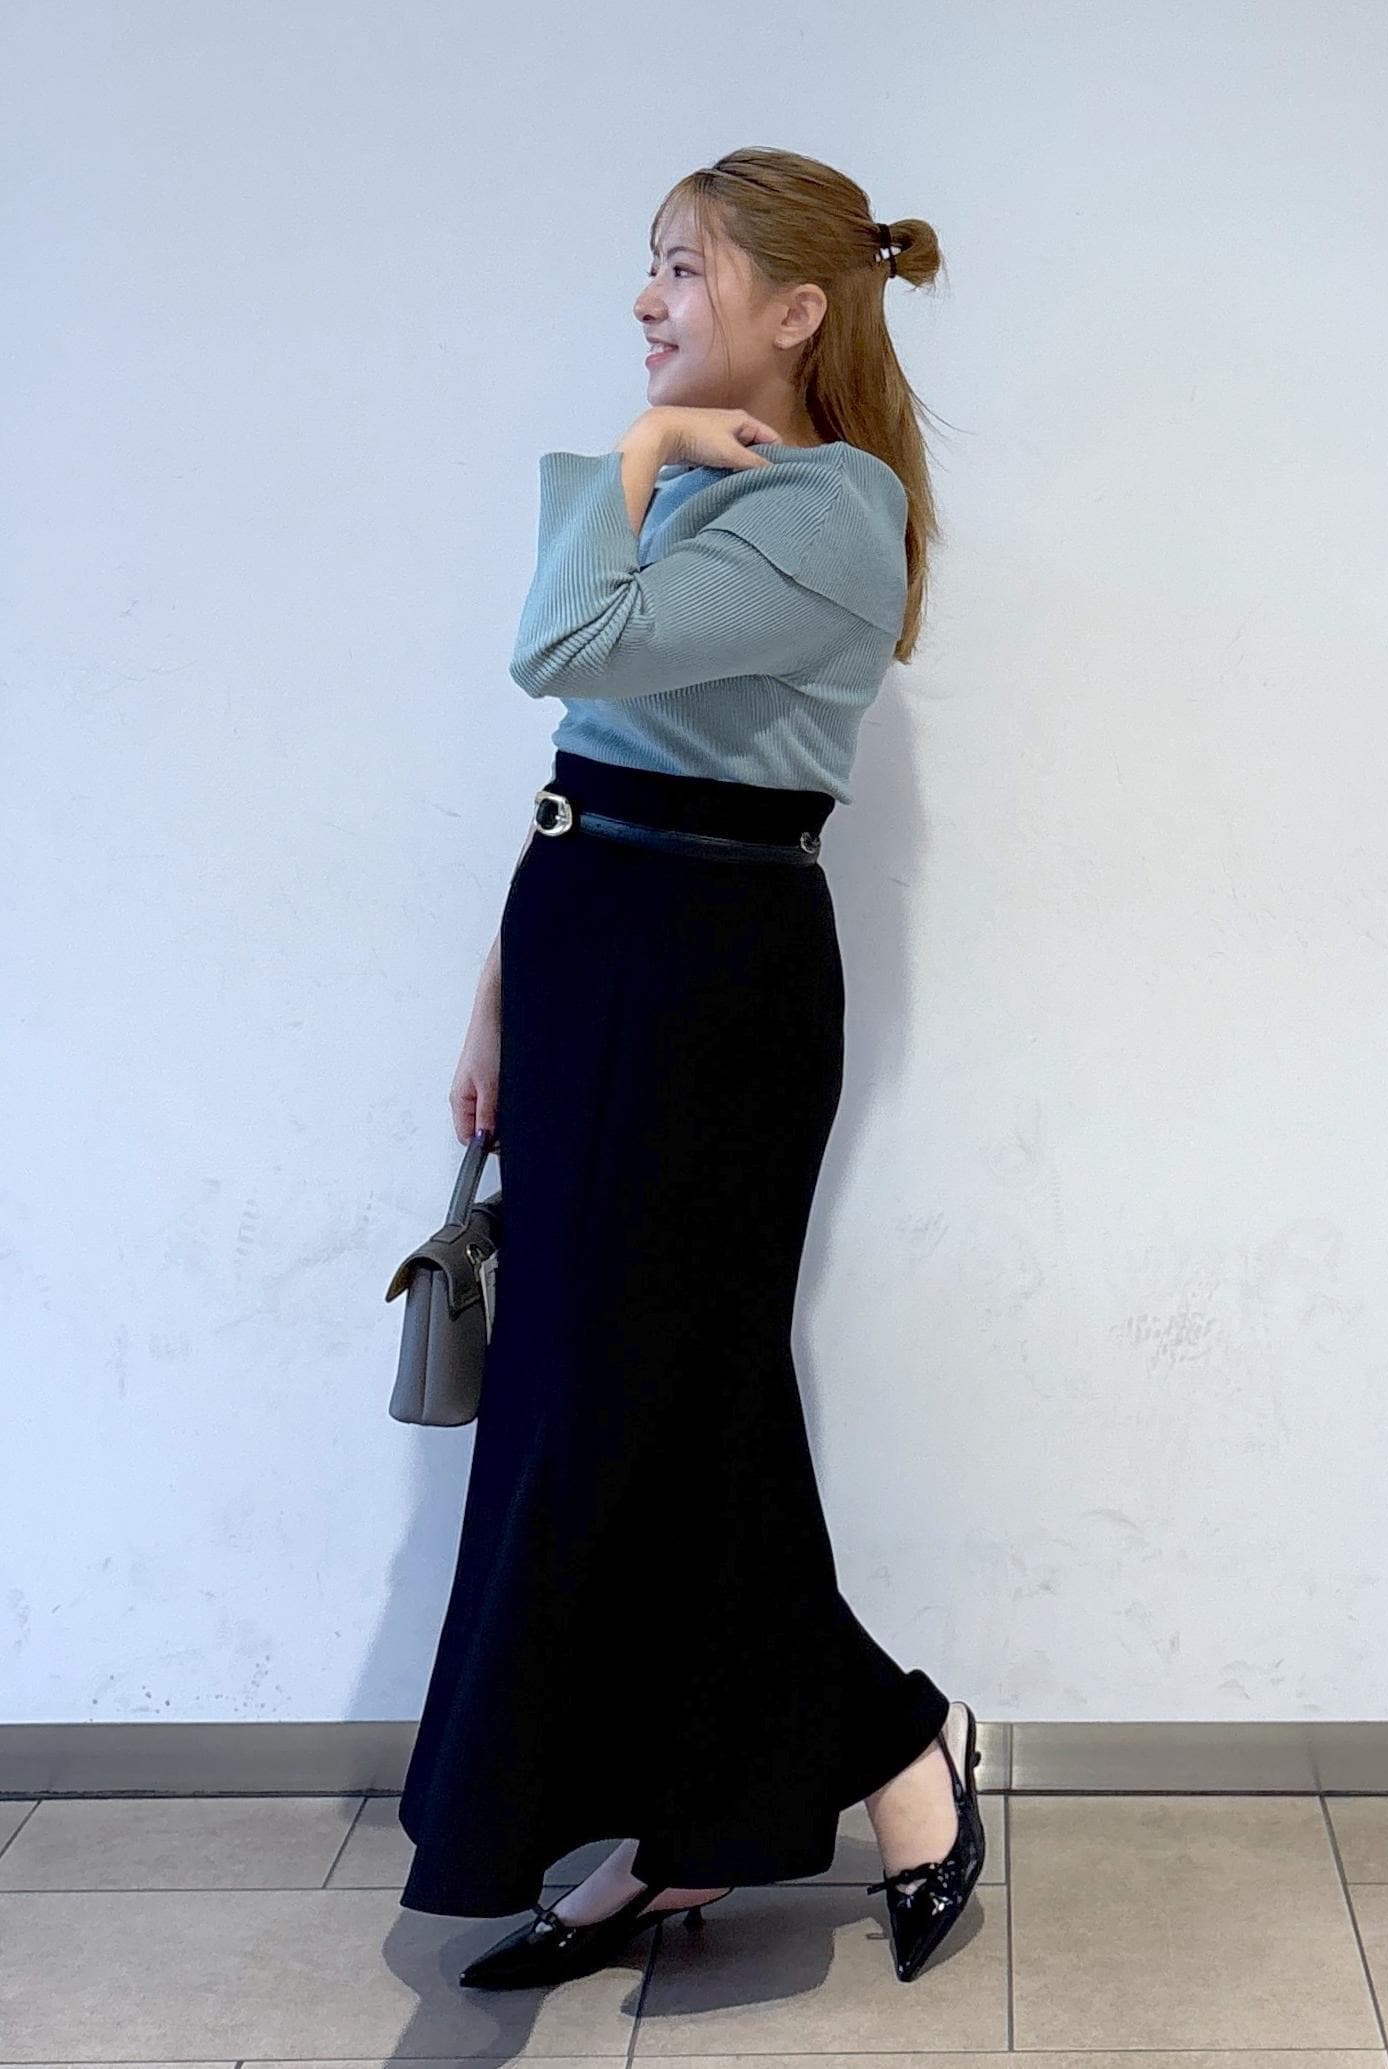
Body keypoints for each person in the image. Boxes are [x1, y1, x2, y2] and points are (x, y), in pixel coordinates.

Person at [396, 146, 985, 1989]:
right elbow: (595, 745)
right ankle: (682, 1833)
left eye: (680, 266)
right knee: (614, 1410)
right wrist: (498, 993)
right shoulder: (726, 493)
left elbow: (557, 644)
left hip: (707, 977)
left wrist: (639, 452)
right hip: (596, 943)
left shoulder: (831, 504)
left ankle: (888, 1741)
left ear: (796, 309)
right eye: (648, 265)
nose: (647, 299)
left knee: (665, 1404)